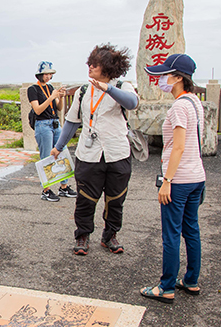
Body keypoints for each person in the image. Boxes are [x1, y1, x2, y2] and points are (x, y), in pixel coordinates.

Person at [51, 44, 139, 255]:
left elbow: (132, 103)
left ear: (107, 67)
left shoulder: (122, 87)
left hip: (117, 152)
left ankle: (110, 235)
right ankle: (82, 236)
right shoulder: (84, 91)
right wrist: (58, 147)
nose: (89, 67)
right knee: (85, 198)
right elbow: (72, 122)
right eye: (89, 63)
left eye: (94, 64)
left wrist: (107, 88)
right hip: (89, 154)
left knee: (116, 198)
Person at [140, 54, 205, 304]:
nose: (162, 79)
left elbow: (177, 147)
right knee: (192, 230)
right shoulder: (194, 102)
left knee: (171, 234)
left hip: (178, 180)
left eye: (166, 74)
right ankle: (191, 280)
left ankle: (166, 286)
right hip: (196, 176)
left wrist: (166, 180)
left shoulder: (179, 106)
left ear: (178, 78)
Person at [28, 61, 76, 202]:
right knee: (46, 157)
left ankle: (64, 186)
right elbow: (37, 110)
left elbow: (59, 108)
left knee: (63, 152)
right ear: (40, 74)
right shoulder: (33, 89)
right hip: (42, 125)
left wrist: (60, 96)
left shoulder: (50, 88)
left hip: (55, 124)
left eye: (50, 74)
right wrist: (51, 97)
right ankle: (46, 190)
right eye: (46, 74)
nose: (49, 77)